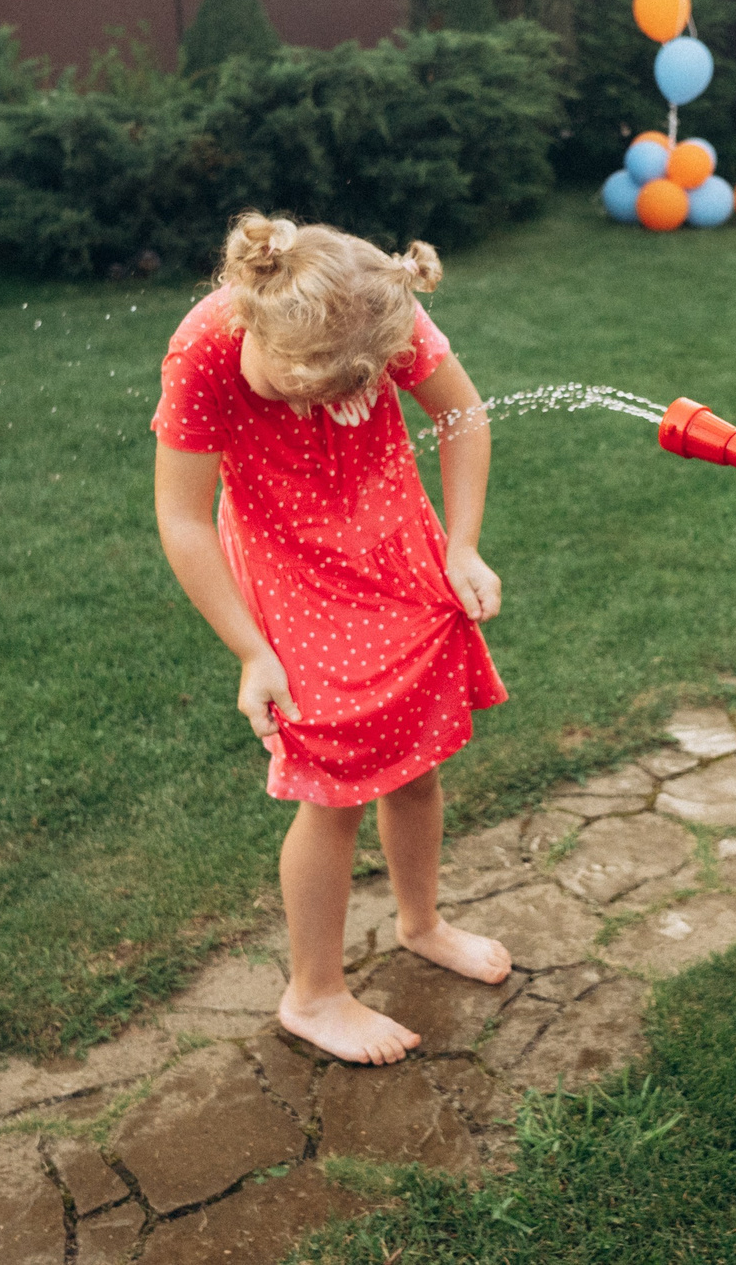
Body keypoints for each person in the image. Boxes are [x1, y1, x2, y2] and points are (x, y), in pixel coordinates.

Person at [152, 212, 512, 1065]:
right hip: (288, 558)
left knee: (416, 751)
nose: (344, 408)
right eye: (309, 391)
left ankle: (420, 922)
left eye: (360, 388)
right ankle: (313, 992)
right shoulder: (206, 349)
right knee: (334, 783)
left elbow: (462, 415)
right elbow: (182, 518)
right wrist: (251, 651)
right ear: (253, 331)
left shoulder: (373, 306)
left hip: (391, 533)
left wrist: (461, 542)